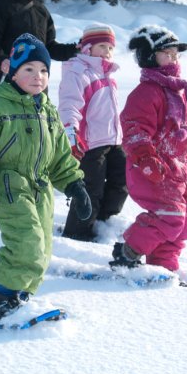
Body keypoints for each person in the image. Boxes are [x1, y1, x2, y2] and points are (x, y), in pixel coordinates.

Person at [0, 33, 92, 320]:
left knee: (42, 247)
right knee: (26, 241)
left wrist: (74, 184)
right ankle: (1, 298)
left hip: (40, 189)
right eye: (29, 69)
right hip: (7, 186)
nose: (38, 76)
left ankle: (21, 294)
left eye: (43, 70)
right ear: (13, 72)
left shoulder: (47, 111)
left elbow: (59, 156)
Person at [110, 25, 187, 273]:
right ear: (149, 56)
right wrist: (145, 157)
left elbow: (177, 132)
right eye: (167, 53)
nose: (173, 58)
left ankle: (163, 268)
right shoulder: (146, 93)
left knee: (185, 224)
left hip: (177, 170)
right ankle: (127, 251)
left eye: (175, 53)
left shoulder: (176, 91)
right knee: (169, 216)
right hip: (151, 169)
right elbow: (134, 129)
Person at [58, 24, 127, 241]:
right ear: (87, 48)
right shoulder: (78, 72)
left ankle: (103, 222)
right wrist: (71, 130)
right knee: (90, 189)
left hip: (114, 140)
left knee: (123, 180)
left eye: (110, 47)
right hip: (89, 143)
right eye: (102, 46)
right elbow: (69, 105)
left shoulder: (107, 74)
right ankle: (77, 232)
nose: (107, 52)